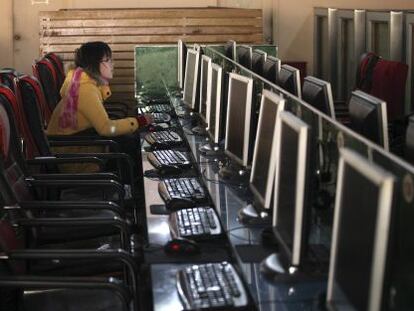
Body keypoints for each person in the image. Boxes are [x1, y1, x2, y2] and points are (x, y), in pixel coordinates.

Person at [46, 41, 152, 172]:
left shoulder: (81, 82)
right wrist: (140, 121)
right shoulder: (85, 89)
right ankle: (133, 189)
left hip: (76, 145)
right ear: (94, 64)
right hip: (75, 158)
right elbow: (106, 128)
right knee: (131, 144)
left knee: (128, 140)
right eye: (108, 60)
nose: (112, 65)